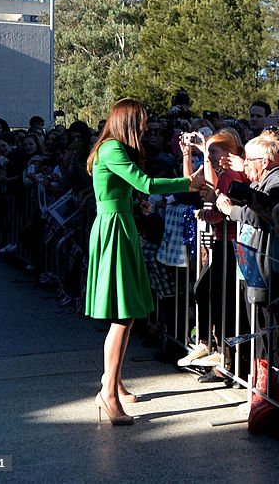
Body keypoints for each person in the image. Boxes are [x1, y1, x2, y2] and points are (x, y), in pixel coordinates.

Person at [85, 98, 204, 426]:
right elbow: (146, 183)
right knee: (124, 315)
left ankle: (114, 383)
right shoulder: (112, 149)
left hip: (120, 226)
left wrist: (138, 205)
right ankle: (108, 392)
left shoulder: (110, 149)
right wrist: (187, 182)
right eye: (141, 122)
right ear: (127, 122)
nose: (145, 128)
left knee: (130, 312)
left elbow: (128, 190)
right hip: (115, 231)